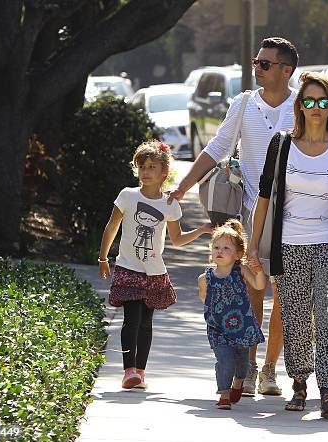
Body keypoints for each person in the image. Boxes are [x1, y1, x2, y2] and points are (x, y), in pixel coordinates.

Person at [169, 37, 300, 396]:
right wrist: (182, 186)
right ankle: (251, 364)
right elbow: (216, 148)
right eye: (256, 61)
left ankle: (272, 368)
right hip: (251, 215)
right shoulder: (243, 104)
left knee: (285, 297)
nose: (257, 68)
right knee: (253, 295)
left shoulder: (301, 106)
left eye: (265, 64)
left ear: (286, 70)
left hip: (293, 215)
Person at [249, 71, 328, 418]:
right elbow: (264, 197)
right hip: (290, 243)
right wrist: (253, 246)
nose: (316, 107)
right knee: (296, 319)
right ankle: (299, 383)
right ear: (300, 106)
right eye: (309, 101)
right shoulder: (282, 145)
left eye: (323, 102)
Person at [99, 140, 212, 389]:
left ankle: (141, 371)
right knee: (131, 318)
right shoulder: (127, 196)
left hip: (153, 271)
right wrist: (103, 257)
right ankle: (129, 371)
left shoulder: (169, 204)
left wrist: (202, 230)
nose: (146, 172)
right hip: (128, 267)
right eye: (142, 166)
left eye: (152, 167)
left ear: (164, 173)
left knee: (146, 322)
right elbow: (112, 227)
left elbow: (178, 239)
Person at [198, 219, 265, 409]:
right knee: (225, 359)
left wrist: (258, 269)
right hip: (217, 328)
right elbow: (204, 299)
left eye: (226, 248)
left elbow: (259, 285)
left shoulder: (241, 270)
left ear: (238, 254)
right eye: (216, 247)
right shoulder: (205, 278)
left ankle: (239, 381)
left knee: (242, 363)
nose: (219, 251)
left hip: (241, 326)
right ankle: (224, 395)